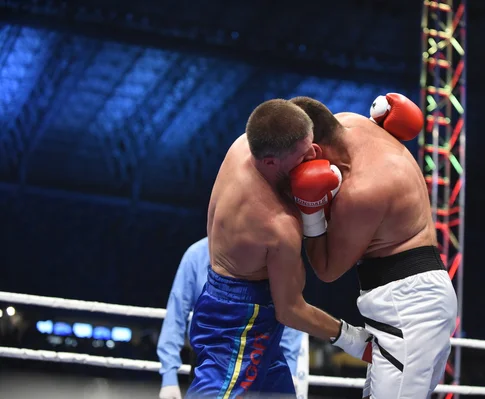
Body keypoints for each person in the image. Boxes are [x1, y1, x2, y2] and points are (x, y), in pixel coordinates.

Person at [186, 99, 372, 398]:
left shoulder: (244, 146)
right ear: (271, 162)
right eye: (302, 156)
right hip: (240, 323)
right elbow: (290, 310)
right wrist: (354, 339)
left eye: (311, 144)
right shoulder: (275, 226)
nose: (314, 155)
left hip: (231, 299)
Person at [289, 94, 458, 399]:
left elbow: (327, 270)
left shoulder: (363, 191)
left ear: (314, 149)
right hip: (414, 302)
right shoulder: (350, 122)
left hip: (409, 309)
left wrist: (310, 210)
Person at [156, 237, 309, 399]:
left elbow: (288, 309)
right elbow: (176, 315)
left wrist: (291, 368)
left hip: (261, 356)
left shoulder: (268, 251)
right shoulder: (196, 254)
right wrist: (169, 377)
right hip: (210, 360)